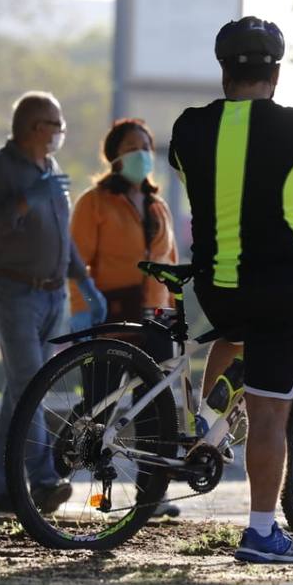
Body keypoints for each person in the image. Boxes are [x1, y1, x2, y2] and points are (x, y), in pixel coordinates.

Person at [169, 15, 293, 564]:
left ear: (222, 72)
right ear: (276, 72)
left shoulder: (188, 128)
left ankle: (208, 432)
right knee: (270, 414)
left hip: (216, 285)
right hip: (281, 287)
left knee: (233, 334)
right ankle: (262, 531)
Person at [0, 90, 108, 515]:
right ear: (34, 128)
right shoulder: (0, 169)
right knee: (32, 386)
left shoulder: (51, 168)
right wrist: (26, 200)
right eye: (56, 125)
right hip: (14, 294)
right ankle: (45, 481)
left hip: (52, 296)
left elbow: (62, 237)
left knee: (19, 393)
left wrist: (85, 285)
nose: (60, 133)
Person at [68, 117, 184, 518]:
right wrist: (84, 310)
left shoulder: (158, 205)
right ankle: (66, 460)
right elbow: (76, 263)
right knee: (100, 401)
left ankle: (153, 493)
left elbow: (169, 262)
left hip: (156, 315)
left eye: (147, 146)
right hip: (111, 314)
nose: (142, 154)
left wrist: (173, 311)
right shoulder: (94, 202)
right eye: (133, 146)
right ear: (114, 155)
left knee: (155, 407)